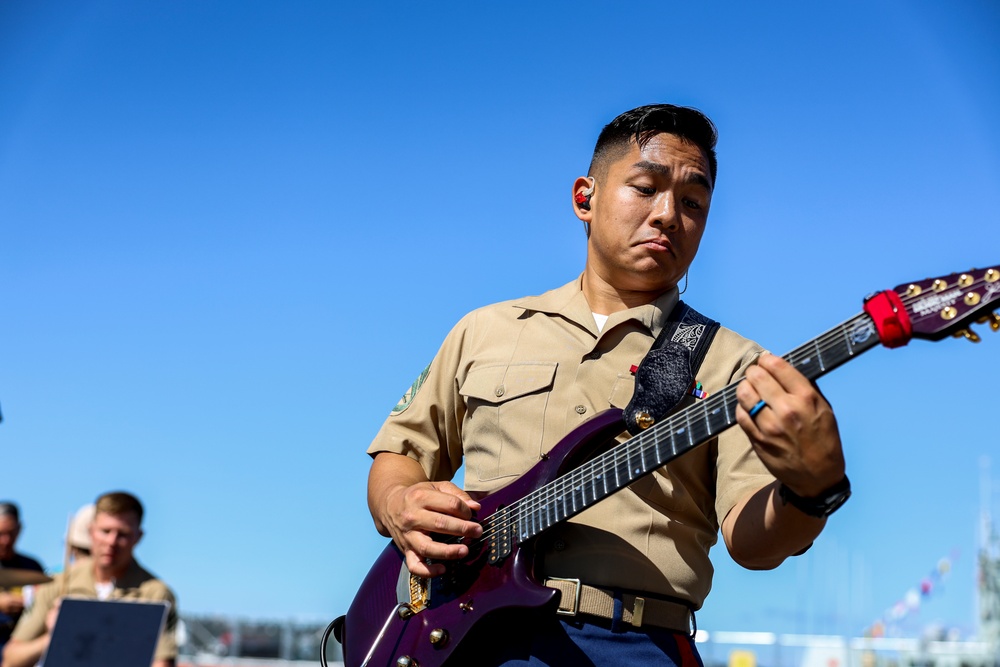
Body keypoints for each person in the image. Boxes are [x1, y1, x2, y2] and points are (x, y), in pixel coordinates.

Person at [364, 104, 849, 665]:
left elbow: (752, 541)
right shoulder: (484, 330)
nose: (668, 214)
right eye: (645, 188)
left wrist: (812, 491)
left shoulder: (736, 365)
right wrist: (400, 502)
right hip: (461, 636)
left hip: (634, 645)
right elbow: (398, 455)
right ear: (585, 199)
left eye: (693, 202)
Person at [3, 492, 178, 667]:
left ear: (138, 536)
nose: (112, 541)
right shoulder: (58, 584)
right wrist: (55, 636)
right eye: (105, 531)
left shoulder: (155, 594)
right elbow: (11, 659)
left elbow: (161, 662)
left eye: (122, 534)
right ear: (91, 531)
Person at [0, 502, 44, 656]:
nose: (6, 540)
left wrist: (28, 601)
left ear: (19, 529)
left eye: (10, 533)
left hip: (21, 642)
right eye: (1, 534)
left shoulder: (31, 567)